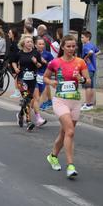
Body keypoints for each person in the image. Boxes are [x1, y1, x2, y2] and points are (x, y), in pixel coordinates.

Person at [44, 35, 90, 179]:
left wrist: (81, 79)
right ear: (62, 47)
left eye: (73, 46)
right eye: (68, 46)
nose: (71, 49)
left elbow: (88, 81)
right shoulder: (55, 62)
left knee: (65, 133)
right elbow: (45, 77)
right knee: (70, 131)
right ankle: (71, 166)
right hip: (60, 101)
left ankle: (52, 156)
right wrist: (51, 83)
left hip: (75, 101)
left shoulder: (80, 62)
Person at [12, 34, 42, 131]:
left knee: (27, 100)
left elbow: (39, 65)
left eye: (31, 42)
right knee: (26, 99)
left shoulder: (36, 53)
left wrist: (36, 62)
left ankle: (20, 114)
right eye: (28, 42)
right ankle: (28, 122)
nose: (30, 43)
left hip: (32, 80)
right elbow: (13, 61)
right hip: (22, 80)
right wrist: (16, 68)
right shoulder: (19, 53)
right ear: (23, 44)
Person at [32, 37, 54, 126]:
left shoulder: (48, 54)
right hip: (34, 76)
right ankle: (38, 118)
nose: (41, 46)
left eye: (43, 44)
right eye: (39, 44)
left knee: (34, 99)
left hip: (43, 77)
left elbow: (53, 65)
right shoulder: (33, 53)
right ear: (35, 45)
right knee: (36, 97)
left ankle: (23, 111)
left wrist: (46, 62)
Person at [80, 30, 101, 111]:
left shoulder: (86, 46)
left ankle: (88, 104)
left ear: (87, 38)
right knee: (91, 86)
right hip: (92, 68)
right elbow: (99, 51)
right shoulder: (92, 45)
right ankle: (89, 103)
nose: (81, 39)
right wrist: (93, 56)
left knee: (87, 86)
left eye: (82, 37)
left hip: (87, 68)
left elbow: (91, 52)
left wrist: (86, 58)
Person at [8, 28, 21, 98]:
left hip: (14, 63)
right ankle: (18, 91)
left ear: (13, 34)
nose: (8, 34)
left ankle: (17, 92)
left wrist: (14, 63)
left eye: (9, 33)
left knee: (16, 77)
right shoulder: (12, 41)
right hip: (12, 62)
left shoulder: (15, 43)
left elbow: (15, 54)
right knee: (16, 77)